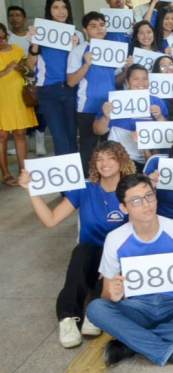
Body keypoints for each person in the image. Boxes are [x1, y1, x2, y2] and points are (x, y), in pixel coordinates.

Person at [86, 173, 173, 368]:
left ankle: (131, 344)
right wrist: (113, 295)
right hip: (137, 308)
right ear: (124, 207)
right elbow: (106, 294)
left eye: (149, 196)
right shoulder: (115, 238)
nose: (146, 204)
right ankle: (172, 350)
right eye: (136, 200)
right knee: (96, 309)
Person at [18, 141, 135, 347]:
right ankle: (67, 318)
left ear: (121, 160)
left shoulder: (132, 190)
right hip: (89, 256)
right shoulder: (85, 188)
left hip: (119, 259)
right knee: (82, 250)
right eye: (99, 159)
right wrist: (32, 191)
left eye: (110, 157)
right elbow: (51, 220)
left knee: (113, 258)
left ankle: (96, 309)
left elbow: (139, 232)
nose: (104, 163)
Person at [26, 0, 84, 157]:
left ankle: (75, 179)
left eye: (64, 7)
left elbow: (80, 66)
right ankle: (66, 179)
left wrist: (75, 48)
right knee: (59, 138)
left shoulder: (77, 34)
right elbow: (30, 65)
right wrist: (35, 41)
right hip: (48, 91)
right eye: (56, 7)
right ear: (49, 10)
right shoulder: (40, 33)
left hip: (71, 89)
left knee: (72, 137)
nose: (61, 11)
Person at [67, 12, 117, 171]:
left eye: (102, 25)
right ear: (85, 30)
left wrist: (127, 68)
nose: (99, 29)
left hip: (110, 108)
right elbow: (71, 81)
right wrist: (87, 64)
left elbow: (117, 79)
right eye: (93, 26)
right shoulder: (78, 51)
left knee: (110, 149)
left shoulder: (113, 50)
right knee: (88, 148)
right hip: (87, 108)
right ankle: (86, 183)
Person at [0, 22, 37, 185]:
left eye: (2, 37)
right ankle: (6, 173)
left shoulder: (16, 49)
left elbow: (28, 70)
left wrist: (24, 70)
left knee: (20, 134)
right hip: (2, 100)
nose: (1, 41)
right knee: (2, 136)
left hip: (18, 98)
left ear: (7, 36)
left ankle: (24, 171)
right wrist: (6, 70)